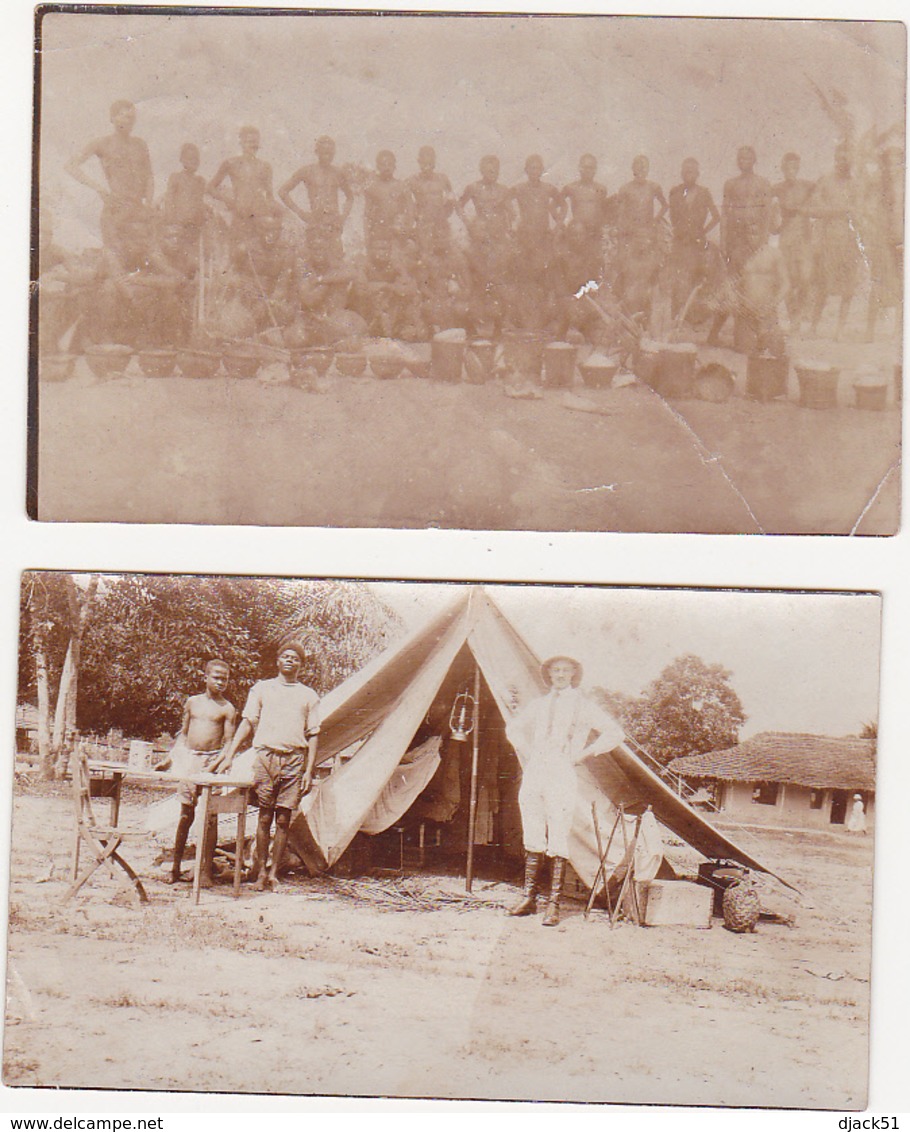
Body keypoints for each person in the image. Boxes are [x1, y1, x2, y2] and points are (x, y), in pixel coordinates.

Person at [505, 656, 625, 927]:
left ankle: (553, 904)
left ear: (574, 674)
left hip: (562, 772)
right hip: (536, 771)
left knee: (558, 833)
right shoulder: (539, 704)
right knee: (533, 830)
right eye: (555, 670)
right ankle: (529, 898)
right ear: (548, 675)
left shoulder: (583, 706)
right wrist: (528, 752)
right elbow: (513, 728)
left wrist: (583, 754)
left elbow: (615, 733)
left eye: (565, 670)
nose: (560, 674)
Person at [220, 643, 320, 892]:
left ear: (301, 664)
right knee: (264, 817)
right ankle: (260, 873)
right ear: (277, 661)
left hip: (294, 760)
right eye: (285, 657)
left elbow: (314, 734)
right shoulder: (262, 689)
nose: (290, 661)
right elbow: (248, 722)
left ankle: (275, 874)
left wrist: (308, 771)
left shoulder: (308, 695)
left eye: (295, 658)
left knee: (284, 819)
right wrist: (230, 753)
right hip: (266, 757)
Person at [157, 660, 236, 886]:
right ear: (206, 677)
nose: (221, 682)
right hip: (190, 761)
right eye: (216, 677)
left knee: (211, 818)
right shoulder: (192, 703)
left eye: (225, 678)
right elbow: (183, 734)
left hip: (213, 761)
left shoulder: (227, 709)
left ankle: (204, 872)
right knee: (185, 815)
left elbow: (229, 742)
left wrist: (218, 764)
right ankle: (175, 867)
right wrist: (170, 757)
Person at [65, 99, 154, 261]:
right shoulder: (102, 143)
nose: (128, 122)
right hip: (116, 209)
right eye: (124, 117)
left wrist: (148, 203)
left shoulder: (140, 144)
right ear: (112, 118)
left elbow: (149, 176)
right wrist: (98, 188)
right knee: (116, 259)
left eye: (132, 118)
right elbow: (70, 166)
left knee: (143, 256)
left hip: (138, 209)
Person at [708, 146, 774, 345]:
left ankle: (757, 336)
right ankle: (713, 333)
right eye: (740, 157)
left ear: (754, 160)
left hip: (754, 243)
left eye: (748, 157)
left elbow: (767, 214)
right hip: (736, 243)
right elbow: (725, 214)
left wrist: (763, 242)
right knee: (730, 289)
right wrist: (724, 243)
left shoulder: (763, 183)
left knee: (755, 289)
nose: (743, 160)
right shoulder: (731, 184)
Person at [807, 144, 864, 341]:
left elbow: (860, 212)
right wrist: (838, 210)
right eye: (840, 159)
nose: (843, 163)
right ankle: (813, 327)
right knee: (823, 286)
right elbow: (813, 208)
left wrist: (851, 212)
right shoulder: (825, 181)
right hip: (828, 240)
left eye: (846, 160)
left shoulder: (856, 184)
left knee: (847, 288)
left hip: (849, 241)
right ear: (835, 160)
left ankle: (839, 330)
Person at [457, 155, 515, 334]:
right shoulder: (473, 188)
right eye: (490, 171)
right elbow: (459, 205)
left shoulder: (503, 190)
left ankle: (502, 321)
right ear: (482, 170)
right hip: (479, 239)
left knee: (499, 279)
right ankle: (474, 322)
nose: (493, 174)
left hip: (498, 240)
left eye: (496, 171)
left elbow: (511, 212)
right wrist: (468, 224)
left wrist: (508, 228)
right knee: (479, 279)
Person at [278, 136, 353, 263]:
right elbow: (282, 191)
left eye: (330, 153)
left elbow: (350, 197)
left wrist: (342, 217)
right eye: (324, 152)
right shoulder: (307, 171)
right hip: (315, 223)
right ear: (317, 152)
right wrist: (300, 213)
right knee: (313, 259)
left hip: (333, 224)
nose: (327, 156)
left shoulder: (338, 173)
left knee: (336, 259)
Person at [510, 155, 565, 328]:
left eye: (538, 168)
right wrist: (510, 221)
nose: (535, 172)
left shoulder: (548, 189)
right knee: (524, 278)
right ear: (526, 170)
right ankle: (522, 318)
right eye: (531, 168)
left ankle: (543, 319)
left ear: (542, 170)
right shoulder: (518, 189)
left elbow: (563, 204)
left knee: (544, 278)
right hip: (525, 239)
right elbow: (504, 201)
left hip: (542, 239)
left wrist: (558, 223)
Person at [613, 155, 668, 323]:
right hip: (630, 236)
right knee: (628, 272)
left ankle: (646, 317)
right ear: (633, 169)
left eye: (644, 167)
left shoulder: (653, 187)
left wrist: (655, 221)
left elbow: (665, 205)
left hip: (648, 235)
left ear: (648, 169)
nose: (641, 170)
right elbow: (621, 213)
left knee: (648, 273)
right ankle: (626, 314)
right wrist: (624, 232)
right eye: (638, 167)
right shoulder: (626, 189)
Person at [667, 158, 720, 321]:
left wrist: (701, 232)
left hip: (696, 244)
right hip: (679, 242)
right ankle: (677, 316)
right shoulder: (675, 192)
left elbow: (716, 217)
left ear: (697, 174)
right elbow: (673, 217)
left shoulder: (704, 193)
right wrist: (679, 231)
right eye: (686, 171)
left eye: (692, 171)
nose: (688, 175)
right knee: (677, 278)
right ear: (682, 174)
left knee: (696, 277)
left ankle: (694, 317)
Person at [207, 126, 278, 248]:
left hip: (260, 216)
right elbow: (210, 187)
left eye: (255, 142)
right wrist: (227, 200)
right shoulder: (231, 163)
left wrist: (272, 214)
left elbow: (270, 195)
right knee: (239, 252)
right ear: (241, 142)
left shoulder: (265, 166)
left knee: (261, 253)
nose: (252, 146)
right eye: (249, 142)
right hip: (240, 215)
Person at [771, 152, 814, 329]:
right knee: (787, 279)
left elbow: (819, 202)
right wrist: (774, 224)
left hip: (804, 236)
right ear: (782, 168)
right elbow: (770, 212)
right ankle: (793, 317)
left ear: (798, 168)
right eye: (787, 167)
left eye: (794, 167)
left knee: (805, 277)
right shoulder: (777, 188)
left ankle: (801, 311)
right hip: (786, 237)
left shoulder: (807, 186)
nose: (790, 171)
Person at [408, 146, 456, 257]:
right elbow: (404, 201)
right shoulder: (412, 180)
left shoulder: (443, 178)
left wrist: (445, 214)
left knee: (445, 255)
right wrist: (414, 216)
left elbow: (452, 199)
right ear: (418, 162)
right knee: (426, 255)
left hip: (441, 224)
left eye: (429, 163)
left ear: (434, 161)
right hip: (424, 224)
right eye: (424, 164)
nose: (427, 167)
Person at [363, 150, 414, 249]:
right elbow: (367, 214)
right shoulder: (372, 187)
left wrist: (407, 230)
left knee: (397, 260)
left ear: (395, 166)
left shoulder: (402, 186)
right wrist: (367, 236)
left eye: (390, 164)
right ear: (378, 166)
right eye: (383, 164)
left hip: (397, 234)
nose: (387, 167)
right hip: (379, 233)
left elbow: (411, 211)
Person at [561, 154, 609, 244]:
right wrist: (560, 223)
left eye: (591, 168)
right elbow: (555, 204)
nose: (588, 171)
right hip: (578, 234)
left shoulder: (601, 189)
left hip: (595, 233)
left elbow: (603, 211)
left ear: (595, 170)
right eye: (585, 167)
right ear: (579, 168)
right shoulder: (571, 188)